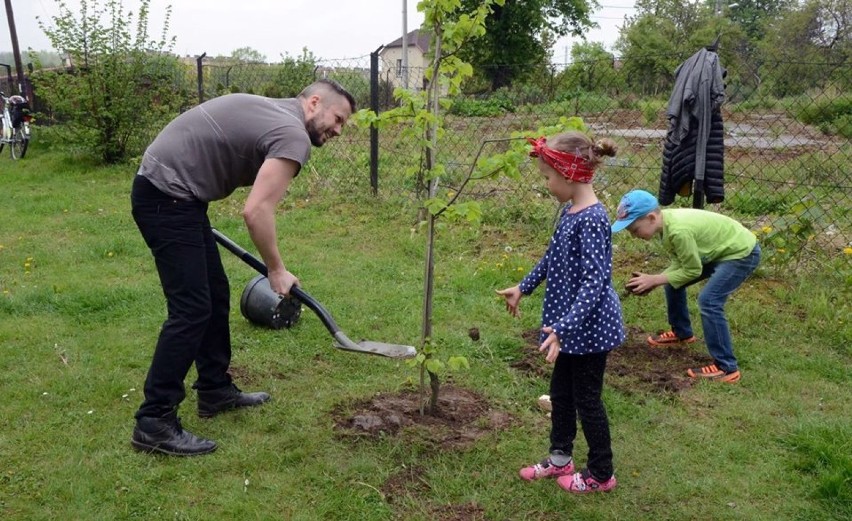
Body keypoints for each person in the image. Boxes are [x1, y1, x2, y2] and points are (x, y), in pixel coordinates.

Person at [129, 80, 356, 456]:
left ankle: (214, 390)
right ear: (314, 103)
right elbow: (256, 211)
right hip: (167, 195)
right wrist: (276, 270)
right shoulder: (292, 134)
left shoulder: (278, 113)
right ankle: (153, 421)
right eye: (337, 118)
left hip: (176, 194)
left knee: (214, 295)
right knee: (191, 309)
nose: (338, 130)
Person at [497, 132, 625, 494]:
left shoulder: (594, 220)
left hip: (590, 329)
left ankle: (602, 473)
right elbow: (552, 258)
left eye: (547, 178)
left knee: (587, 400)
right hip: (568, 328)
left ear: (568, 174)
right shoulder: (571, 212)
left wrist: (563, 328)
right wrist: (524, 286)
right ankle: (560, 458)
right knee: (561, 394)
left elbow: (595, 283)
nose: (546, 185)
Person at [612, 189, 761, 383]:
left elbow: (692, 270)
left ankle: (726, 367)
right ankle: (682, 333)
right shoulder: (666, 227)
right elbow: (682, 266)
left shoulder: (678, 232)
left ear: (650, 218)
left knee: (709, 301)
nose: (633, 236)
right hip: (719, 250)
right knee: (672, 283)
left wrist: (655, 279)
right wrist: (657, 278)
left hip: (740, 254)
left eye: (634, 230)